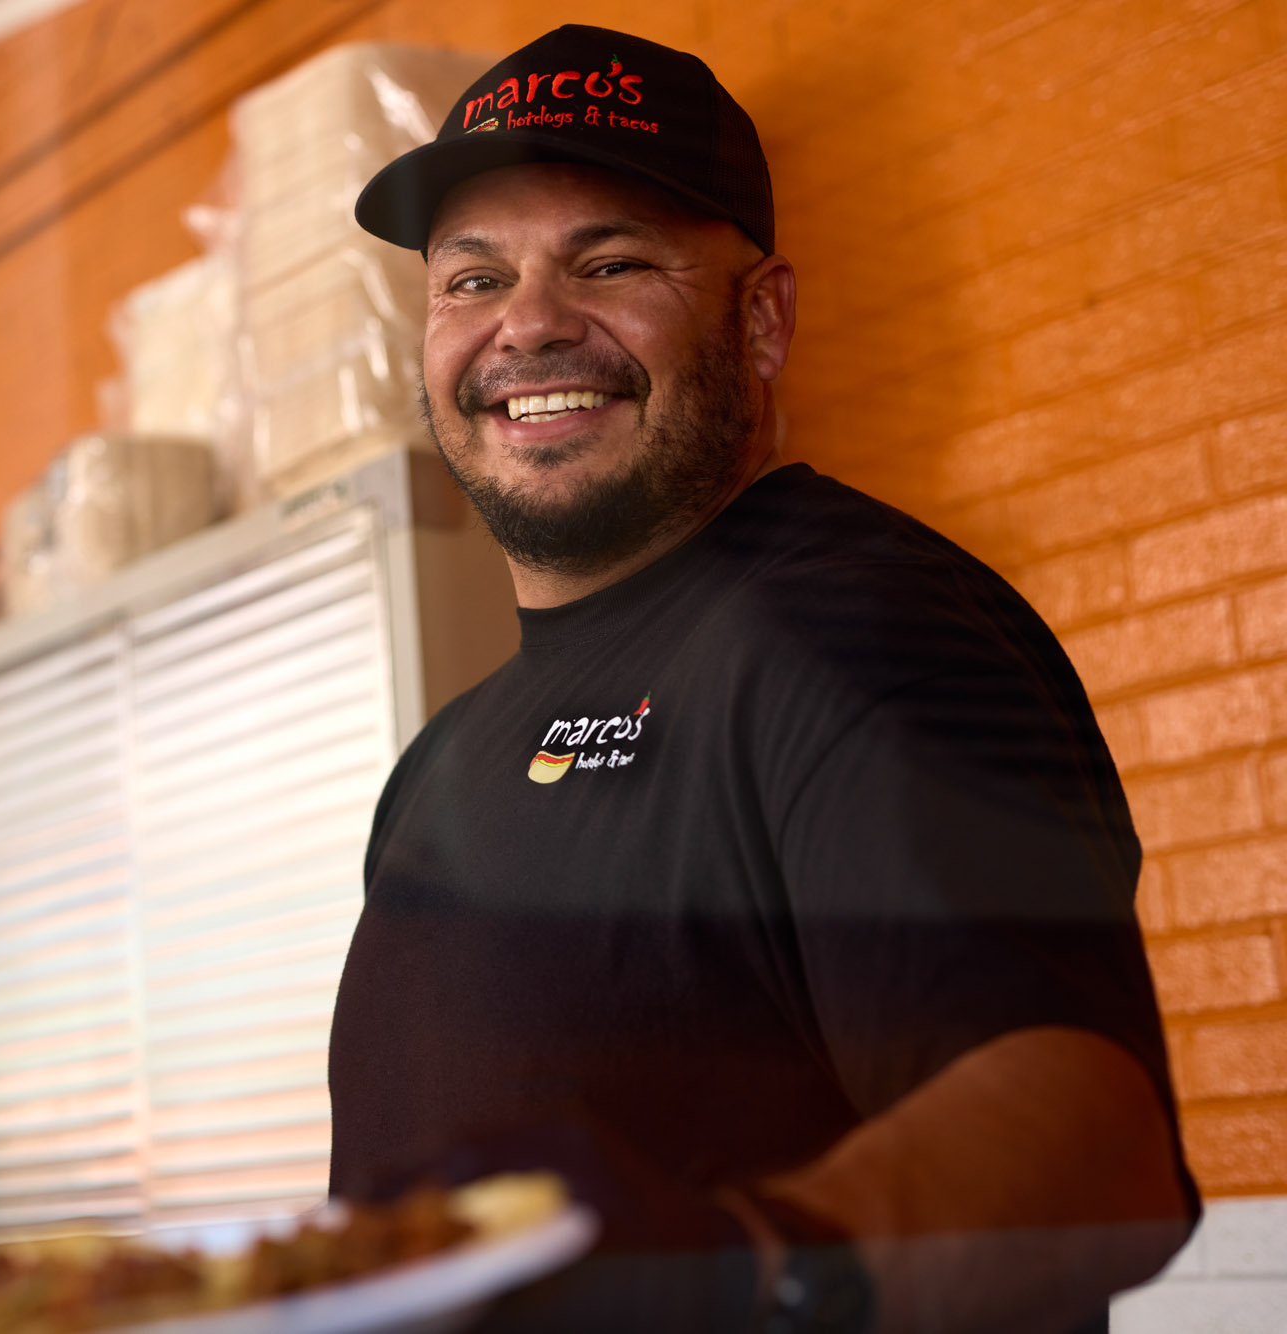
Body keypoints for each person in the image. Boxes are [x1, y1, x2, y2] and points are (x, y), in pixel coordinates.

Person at [327, 24, 1198, 1334]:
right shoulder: (436, 770)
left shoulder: (852, 619)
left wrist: (752, 1267)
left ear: (765, 316)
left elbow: (1094, 1137)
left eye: (610, 261)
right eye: (474, 277)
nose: (529, 326)